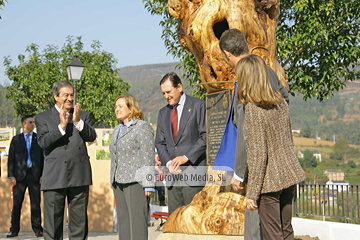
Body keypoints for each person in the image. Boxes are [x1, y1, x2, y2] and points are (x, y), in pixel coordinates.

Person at [219, 28, 289, 240]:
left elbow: (245, 131)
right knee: (284, 229)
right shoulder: (266, 71)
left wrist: (239, 172)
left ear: (227, 54)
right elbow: (285, 98)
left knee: (257, 228)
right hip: (281, 164)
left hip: (259, 168)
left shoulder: (246, 76)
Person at [235, 54, 305, 240]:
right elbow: (287, 140)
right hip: (288, 176)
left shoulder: (253, 109)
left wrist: (252, 193)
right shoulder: (281, 103)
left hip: (269, 184)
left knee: (273, 236)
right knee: (286, 231)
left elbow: (258, 156)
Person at [35, 81, 97, 240]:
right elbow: (43, 142)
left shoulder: (82, 115)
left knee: (79, 224)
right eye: (66, 95)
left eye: (72, 95)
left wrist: (77, 122)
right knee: (52, 225)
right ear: (56, 96)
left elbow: (91, 136)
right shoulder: (42, 117)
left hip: (79, 175)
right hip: (54, 177)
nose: (70, 98)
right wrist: (61, 126)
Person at [155, 72, 207, 215]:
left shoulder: (198, 105)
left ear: (179, 87)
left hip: (193, 173)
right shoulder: (163, 113)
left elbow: (205, 136)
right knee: (175, 222)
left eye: (168, 92)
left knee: (193, 221)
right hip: (172, 177)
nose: (166, 96)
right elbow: (159, 142)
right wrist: (168, 163)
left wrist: (186, 157)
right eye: (163, 93)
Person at [109, 94, 154, 240]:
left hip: (135, 182)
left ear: (131, 108)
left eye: (120, 106)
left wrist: (148, 184)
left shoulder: (142, 127)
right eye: (116, 107)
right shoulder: (117, 129)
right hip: (118, 182)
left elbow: (148, 156)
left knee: (137, 223)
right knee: (124, 222)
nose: (117, 109)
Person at [7, 115, 44, 238]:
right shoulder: (16, 139)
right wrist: (11, 175)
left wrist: (42, 175)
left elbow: (42, 158)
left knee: (35, 203)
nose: (33, 124)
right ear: (24, 124)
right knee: (17, 204)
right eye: (30, 122)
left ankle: (38, 229)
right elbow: (11, 159)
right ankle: (14, 229)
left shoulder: (38, 138)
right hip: (19, 176)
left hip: (34, 175)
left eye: (33, 122)